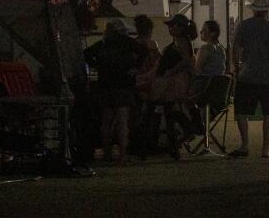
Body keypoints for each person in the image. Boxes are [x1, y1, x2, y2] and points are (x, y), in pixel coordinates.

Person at [231, 0, 269, 159]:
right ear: (266, 11)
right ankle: (265, 149)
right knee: (268, 113)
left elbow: (235, 48)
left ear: (254, 10)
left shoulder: (244, 26)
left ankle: (245, 145)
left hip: (247, 75)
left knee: (242, 111)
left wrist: (237, 66)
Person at [84, 18, 146, 162]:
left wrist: (98, 65)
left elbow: (86, 53)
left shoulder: (103, 43)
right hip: (123, 84)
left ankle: (107, 152)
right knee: (122, 121)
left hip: (105, 85)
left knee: (106, 121)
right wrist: (135, 67)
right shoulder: (127, 41)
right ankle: (122, 153)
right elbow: (143, 52)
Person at [153, 14, 197, 158]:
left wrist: (170, 71)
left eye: (172, 25)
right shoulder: (183, 40)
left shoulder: (181, 41)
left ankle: (185, 133)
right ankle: (175, 144)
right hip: (176, 80)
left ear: (180, 27)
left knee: (169, 109)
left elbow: (187, 61)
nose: (170, 28)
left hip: (175, 81)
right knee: (170, 111)